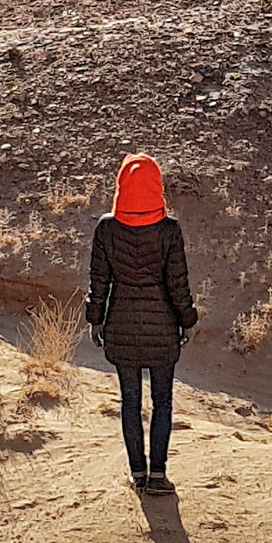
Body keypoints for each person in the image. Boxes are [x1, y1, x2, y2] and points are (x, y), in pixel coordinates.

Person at [86, 153, 199, 495]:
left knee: (130, 401)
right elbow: (178, 284)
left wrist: (96, 320)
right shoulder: (169, 230)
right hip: (163, 329)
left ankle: (138, 473)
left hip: (120, 326)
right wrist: (188, 320)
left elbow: (99, 281)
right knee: (163, 401)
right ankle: (159, 476)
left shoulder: (106, 228)